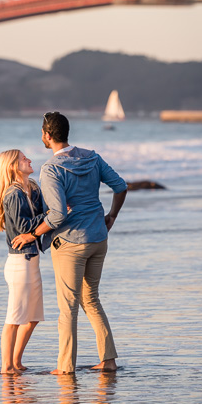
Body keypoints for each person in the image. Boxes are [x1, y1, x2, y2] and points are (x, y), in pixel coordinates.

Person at [12, 112, 127, 375]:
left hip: (71, 243)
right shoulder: (92, 157)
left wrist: (32, 234)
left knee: (68, 308)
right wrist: (111, 216)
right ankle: (108, 360)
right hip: (98, 237)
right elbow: (120, 186)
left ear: (47, 136)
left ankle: (65, 368)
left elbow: (57, 215)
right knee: (92, 300)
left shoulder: (51, 169)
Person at [0, 148, 47, 373]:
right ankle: (6, 367)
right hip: (18, 263)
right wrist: (52, 216)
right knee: (14, 317)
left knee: (32, 317)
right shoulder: (12, 194)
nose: (29, 160)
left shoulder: (32, 188)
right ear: (13, 166)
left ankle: (16, 362)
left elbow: (46, 211)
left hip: (32, 261)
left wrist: (54, 212)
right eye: (24, 159)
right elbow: (24, 226)